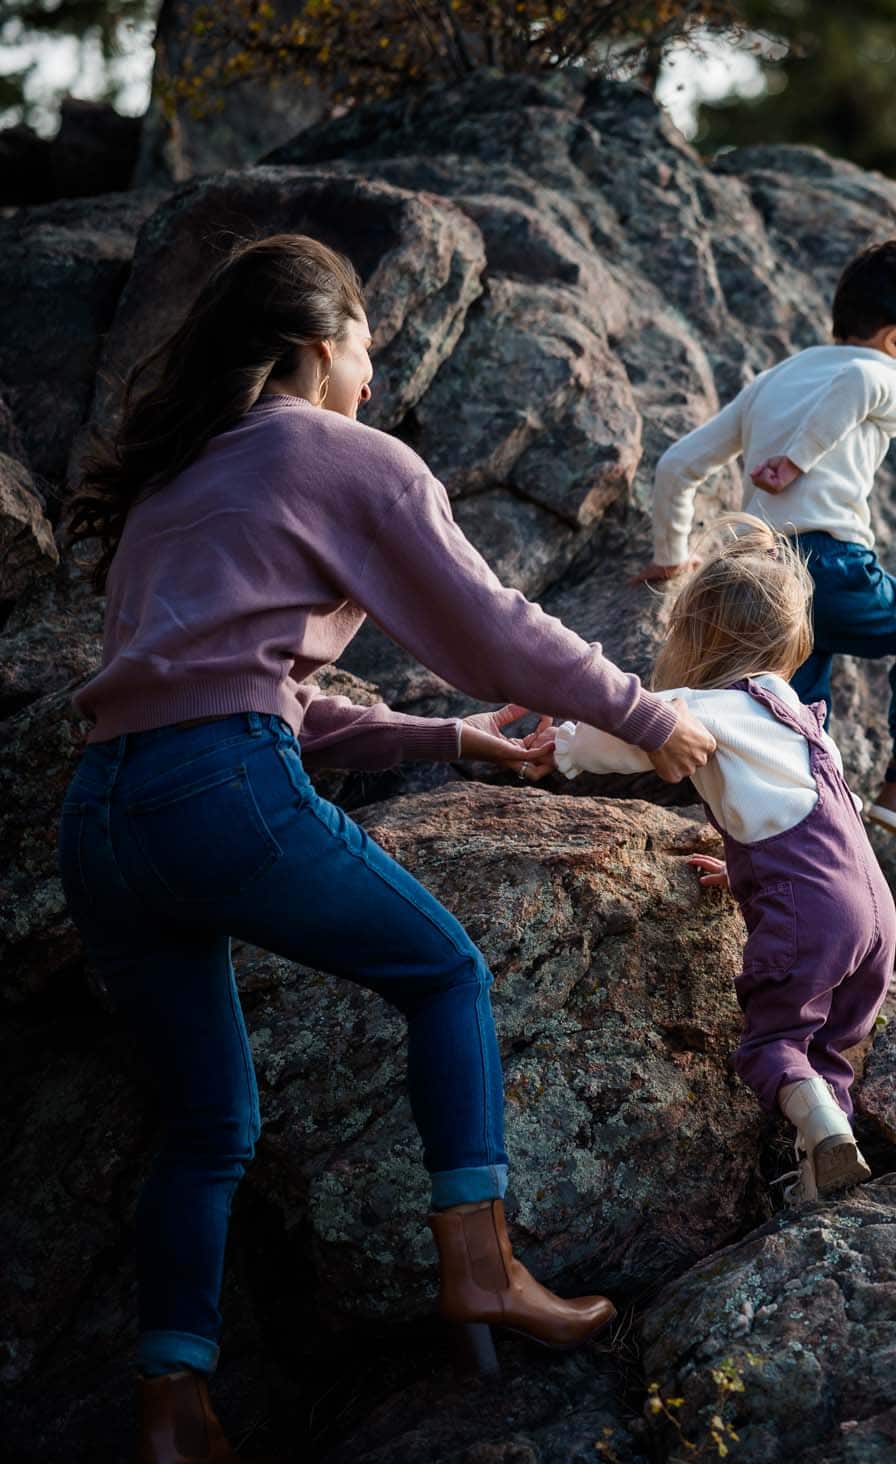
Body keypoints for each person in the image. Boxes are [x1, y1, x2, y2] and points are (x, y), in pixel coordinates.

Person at [60, 233, 717, 1464]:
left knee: (208, 1126)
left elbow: (229, 693)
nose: (376, 372)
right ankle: (481, 1265)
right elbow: (492, 628)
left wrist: (447, 744)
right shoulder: (342, 454)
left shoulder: (175, 483)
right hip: (218, 791)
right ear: (323, 345)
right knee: (444, 971)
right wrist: (646, 714)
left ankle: (172, 1410)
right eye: (370, 346)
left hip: (102, 817)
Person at [557, 513, 893, 1204]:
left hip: (815, 914)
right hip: (877, 911)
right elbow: (829, 823)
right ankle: (822, 1173)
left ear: (696, 634)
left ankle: (821, 1126)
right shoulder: (800, 717)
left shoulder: (707, 705)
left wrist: (557, 748)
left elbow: (623, 733)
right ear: (791, 641)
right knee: (828, 1050)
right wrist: (747, 871)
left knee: (772, 1044)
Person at [639, 239, 896, 861]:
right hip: (835, 566)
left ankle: (791, 833)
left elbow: (678, 463)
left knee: (799, 715)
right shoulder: (893, 375)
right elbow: (860, 384)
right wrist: (796, 460)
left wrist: (671, 556)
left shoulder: (774, 380)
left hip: (766, 576)